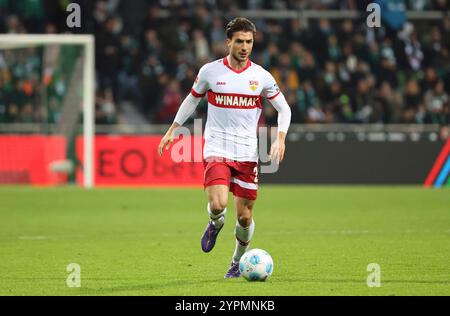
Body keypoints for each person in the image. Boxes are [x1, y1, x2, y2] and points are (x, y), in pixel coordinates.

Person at [158, 17, 291, 278]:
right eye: (240, 41)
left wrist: (281, 137)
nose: (244, 47)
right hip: (217, 146)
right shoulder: (210, 71)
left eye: (249, 42)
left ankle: (237, 261)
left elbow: (284, 108)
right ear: (228, 42)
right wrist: (173, 128)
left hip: (247, 153)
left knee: (244, 217)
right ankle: (215, 222)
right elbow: (192, 99)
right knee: (218, 204)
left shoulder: (261, 76)